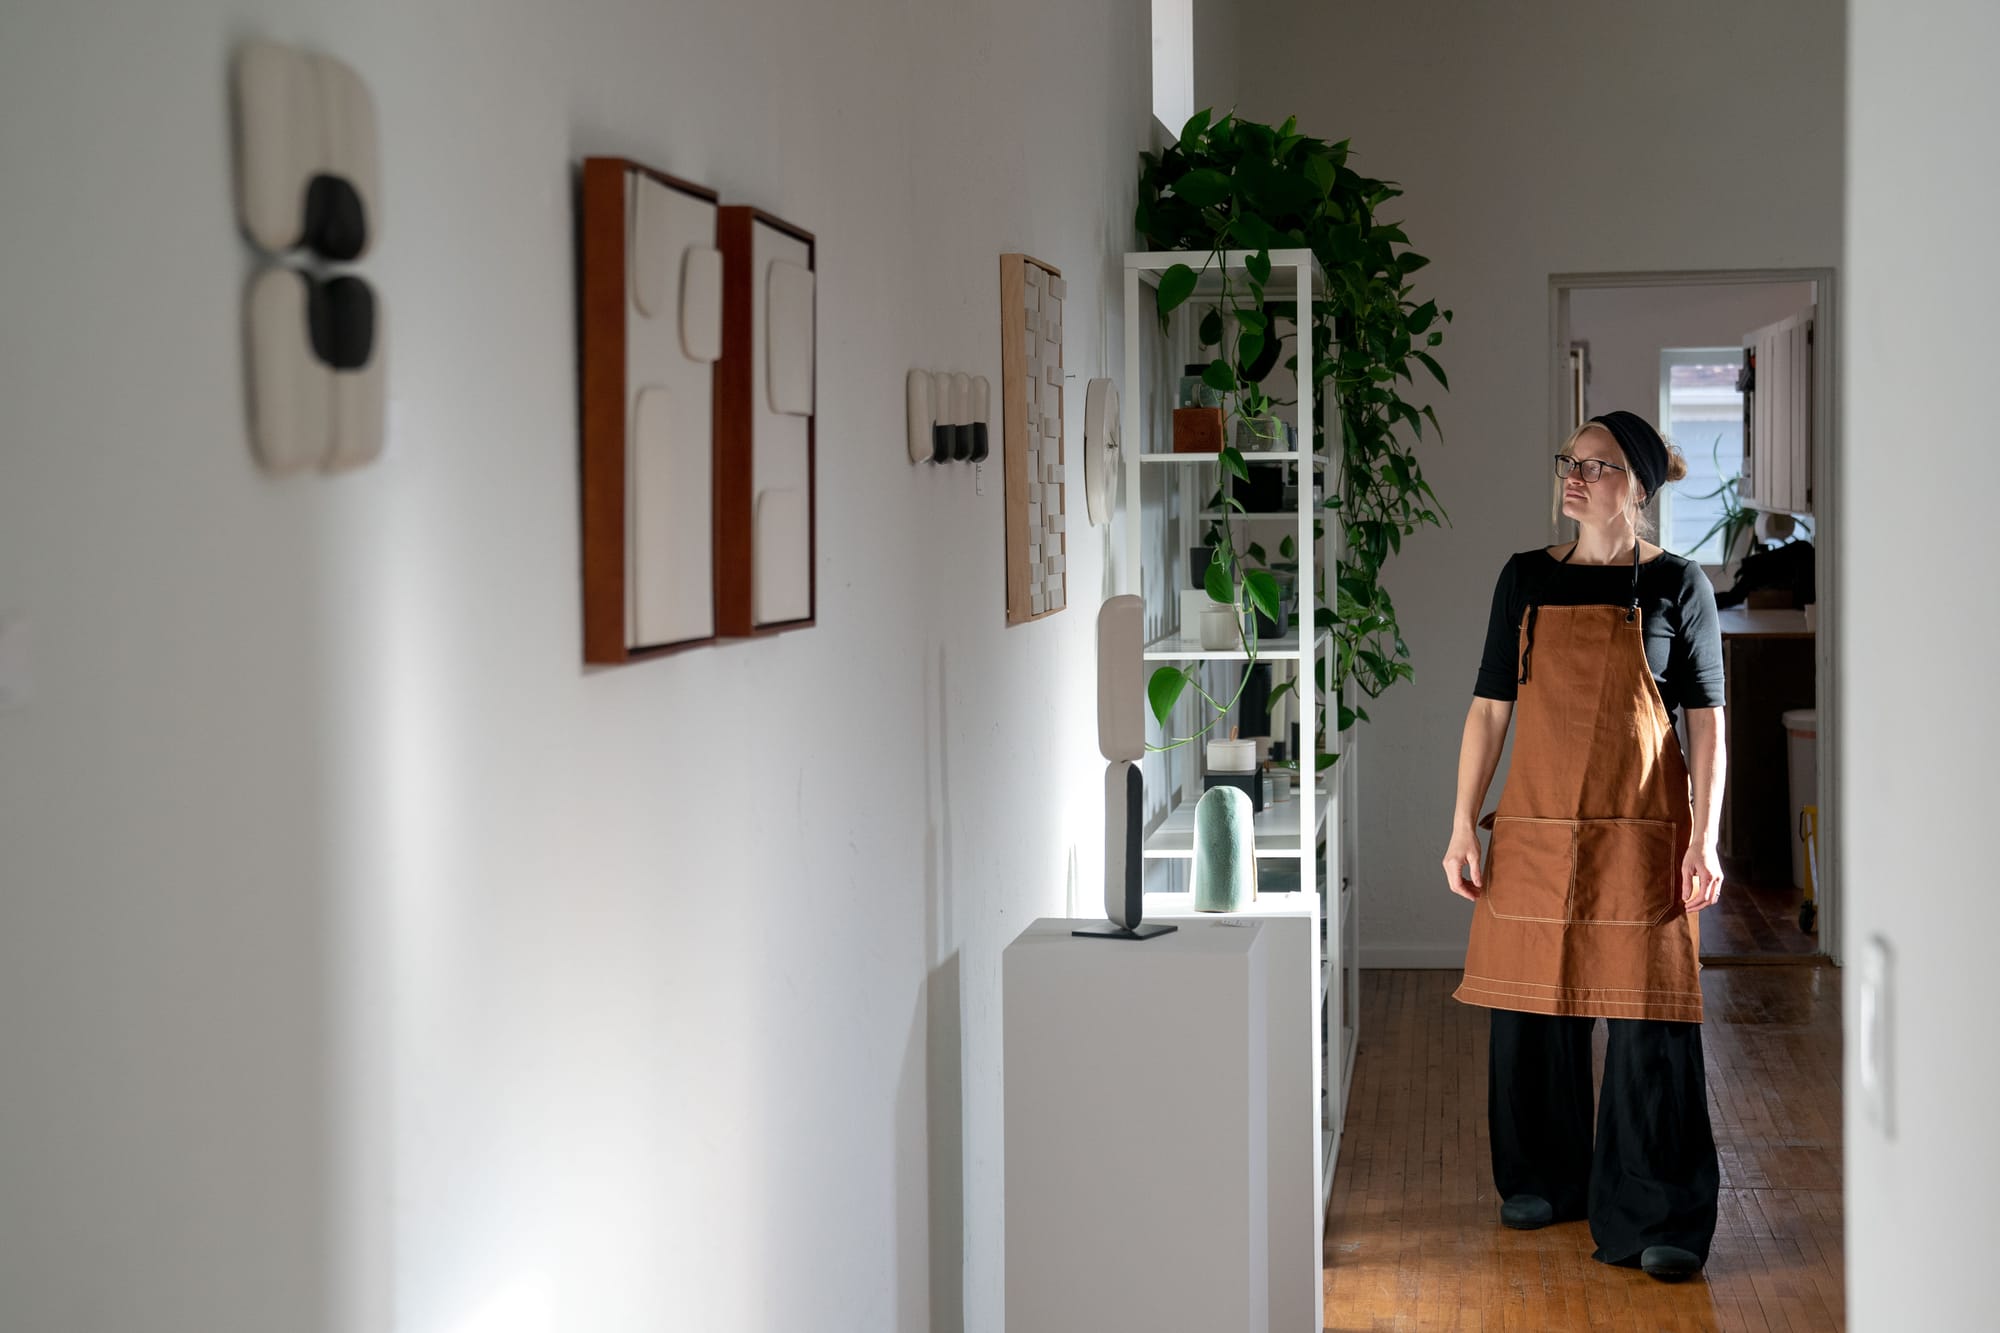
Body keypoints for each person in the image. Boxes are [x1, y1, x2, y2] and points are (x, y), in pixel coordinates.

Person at [1439, 411, 1728, 1282]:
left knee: (1650, 1024)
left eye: (1596, 465)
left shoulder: (1680, 586)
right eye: (1569, 458)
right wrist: (1462, 821)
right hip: (1532, 829)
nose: (1574, 474)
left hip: (1642, 833)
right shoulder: (1524, 578)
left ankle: (1660, 1209)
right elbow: (1491, 706)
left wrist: (1706, 836)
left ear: (1636, 487)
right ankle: (1542, 1177)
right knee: (1532, 1007)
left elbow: (1709, 723)